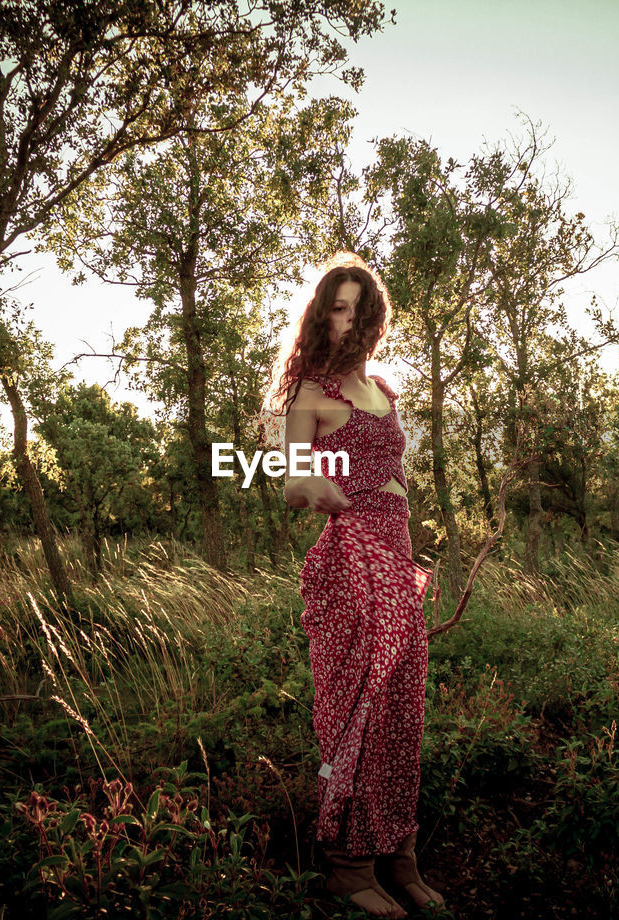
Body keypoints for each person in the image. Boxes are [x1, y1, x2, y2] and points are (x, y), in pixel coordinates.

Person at [266, 255, 445, 918]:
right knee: (358, 707)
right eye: (334, 308)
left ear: (373, 318)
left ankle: (399, 857)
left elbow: (396, 474)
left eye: (355, 309)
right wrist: (319, 486)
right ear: (319, 316)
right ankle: (348, 865)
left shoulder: (386, 393)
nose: (344, 322)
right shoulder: (312, 395)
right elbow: (290, 480)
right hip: (351, 556)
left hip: (397, 557)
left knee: (401, 708)